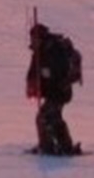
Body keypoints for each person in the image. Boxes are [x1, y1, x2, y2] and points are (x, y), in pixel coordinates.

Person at [26, 22, 82, 156]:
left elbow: (59, 70)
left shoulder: (54, 50)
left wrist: (47, 74)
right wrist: (33, 83)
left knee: (43, 117)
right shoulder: (39, 51)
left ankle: (47, 148)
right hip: (53, 92)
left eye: (34, 38)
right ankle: (65, 146)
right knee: (54, 118)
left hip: (60, 92)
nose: (32, 41)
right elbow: (33, 70)